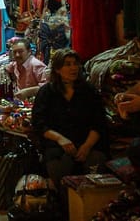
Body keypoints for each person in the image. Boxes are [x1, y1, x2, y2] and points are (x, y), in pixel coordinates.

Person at [31, 49, 107, 194]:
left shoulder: (89, 91)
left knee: (95, 164)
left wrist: (86, 146)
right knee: (60, 166)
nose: (73, 68)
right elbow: (39, 123)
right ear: (58, 69)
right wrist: (60, 139)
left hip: (88, 144)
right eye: (68, 64)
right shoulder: (47, 92)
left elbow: (99, 122)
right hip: (58, 146)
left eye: (75, 64)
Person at [0, 40, 47, 150]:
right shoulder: (16, 64)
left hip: (32, 108)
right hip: (17, 106)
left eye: (20, 52)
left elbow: (46, 87)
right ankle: (3, 147)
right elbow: (5, 68)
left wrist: (27, 91)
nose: (17, 55)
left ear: (29, 51)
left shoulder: (36, 65)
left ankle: (5, 149)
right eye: (14, 52)